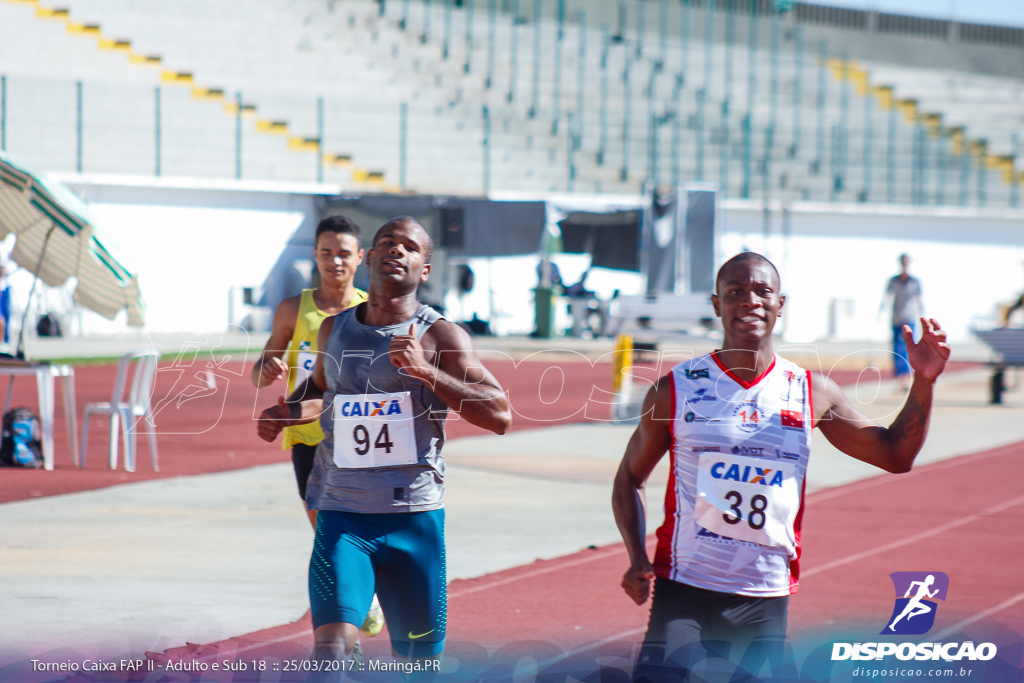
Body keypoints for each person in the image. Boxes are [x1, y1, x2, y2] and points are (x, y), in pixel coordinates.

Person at [612, 252, 949, 682]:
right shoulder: (675, 390)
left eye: (762, 291)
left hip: (763, 596)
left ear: (780, 304)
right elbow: (629, 477)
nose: (749, 301)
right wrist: (636, 556)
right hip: (685, 589)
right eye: (735, 292)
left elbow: (894, 455)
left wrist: (923, 380)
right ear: (717, 305)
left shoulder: (812, 392)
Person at [256, 217, 512, 674]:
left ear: (425, 270)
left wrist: (426, 372)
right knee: (330, 653)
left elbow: (499, 415)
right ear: (370, 258)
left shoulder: (440, 336)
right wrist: (286, 413)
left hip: (415, 521)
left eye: (410, 247)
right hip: (343, 516)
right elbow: (320, 394)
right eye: (387, 243)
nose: (397, 250)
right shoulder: (333, 331)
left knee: (415, 667)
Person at [250, 215, 382, 637]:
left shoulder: (371, 309)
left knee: (352, 533)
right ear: (315, 256)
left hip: (358, 440)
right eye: (326, 253)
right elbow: (259, 372)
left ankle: (355, 611)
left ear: (360, 258)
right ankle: (353, 616)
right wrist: (265, 369)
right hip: (307, 437)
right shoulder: (293, 309)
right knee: (324, 533)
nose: (335, 262)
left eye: (344, 253)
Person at [880, 254, 923, 391]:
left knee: (908, 348)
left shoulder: (914, 281)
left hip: (909, 319)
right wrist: (881, 313)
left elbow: (919, 300)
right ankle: (899, 378)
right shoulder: (893, 281)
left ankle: (907, 378)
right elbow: (887, 298)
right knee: (897, 349)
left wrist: (923, 317)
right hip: (896, 319)